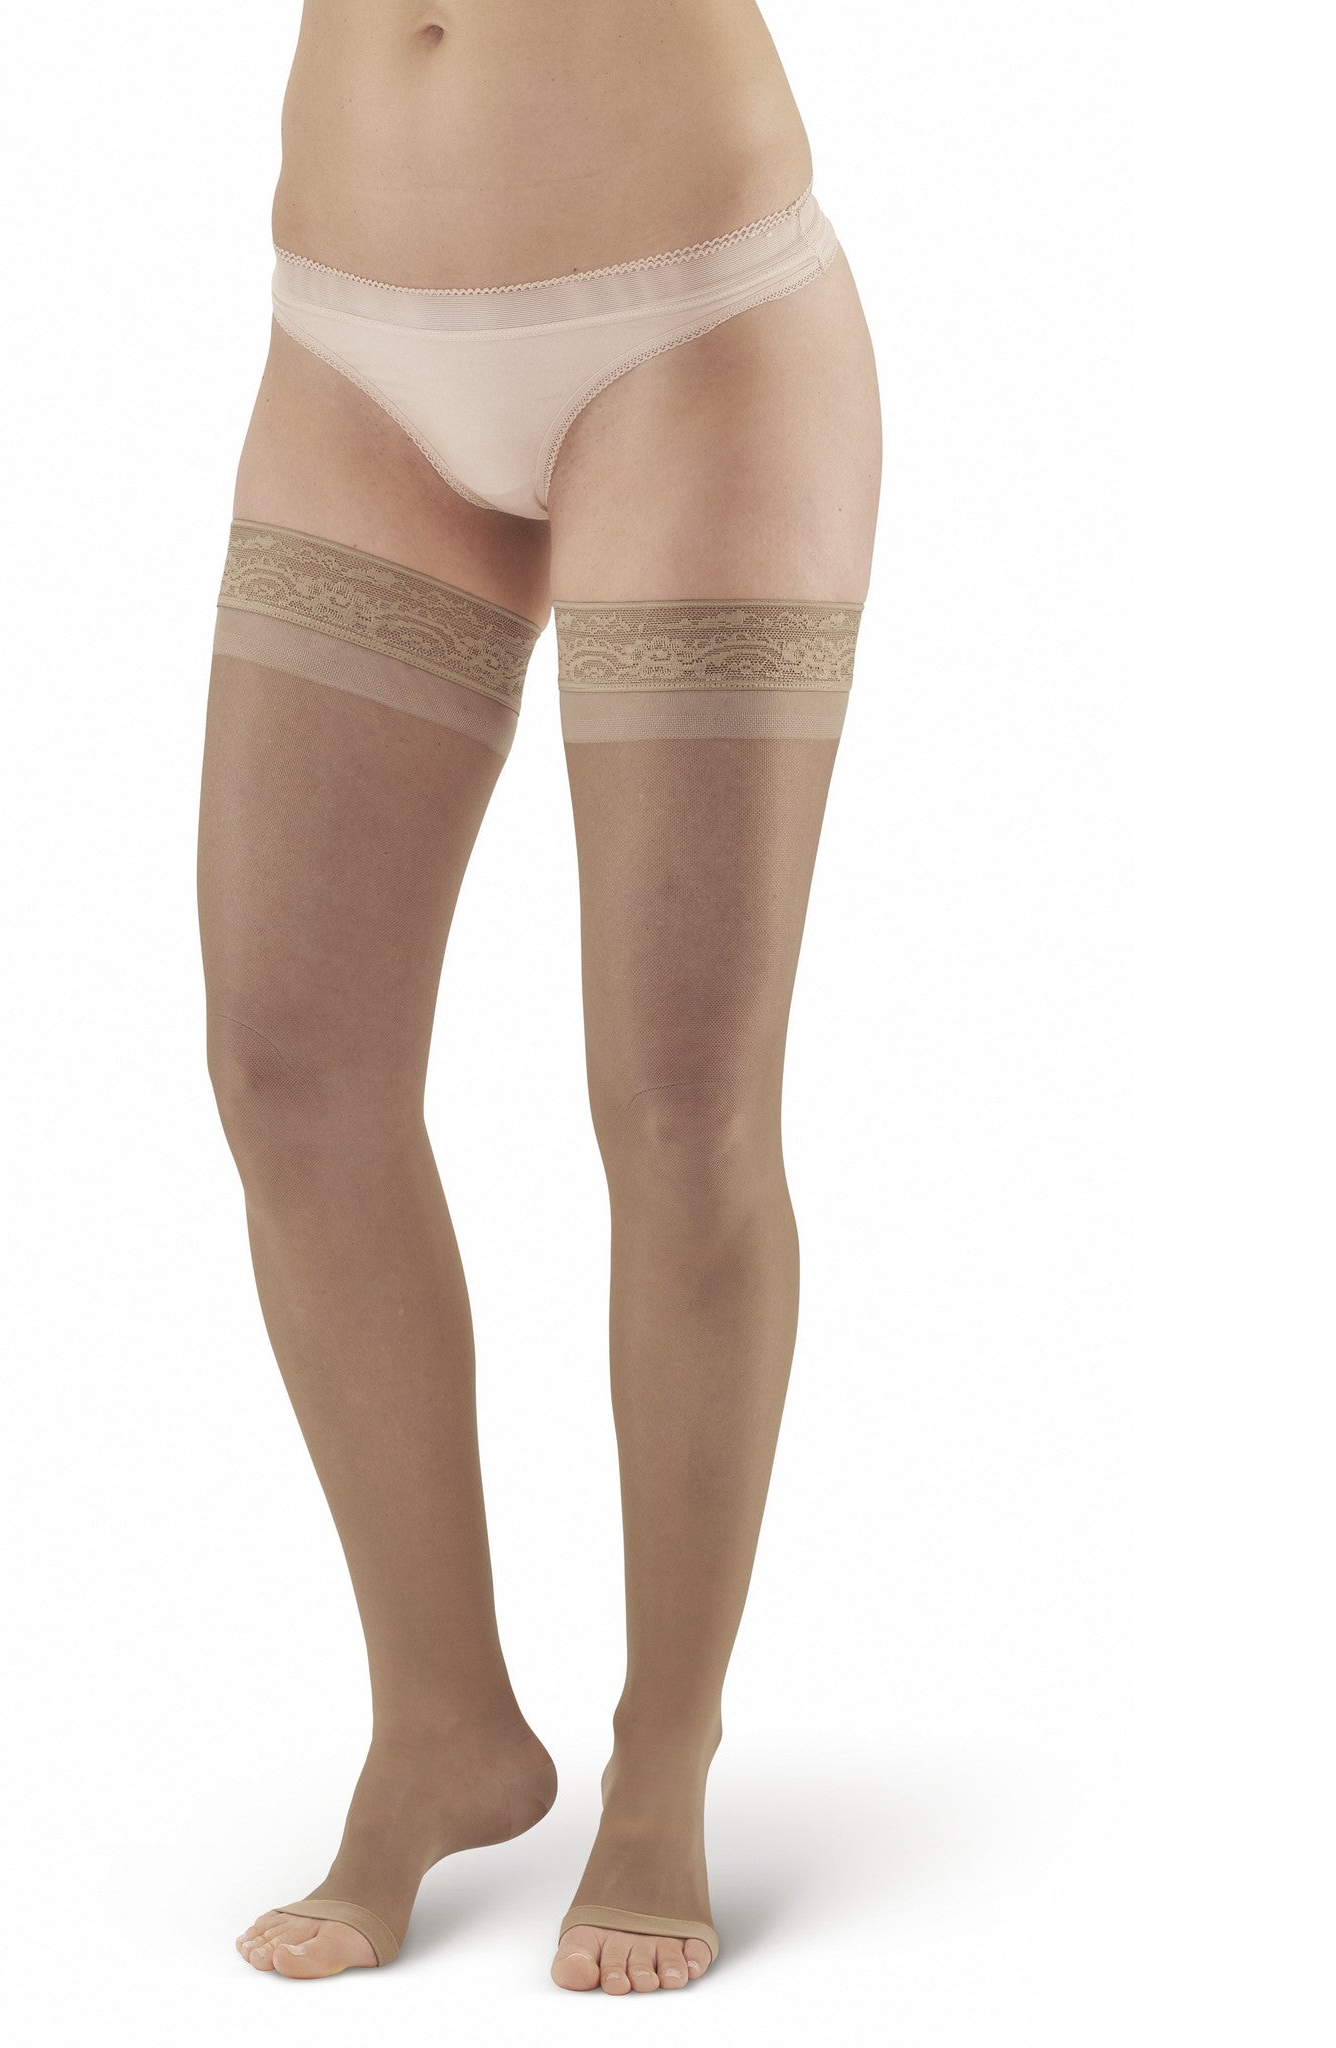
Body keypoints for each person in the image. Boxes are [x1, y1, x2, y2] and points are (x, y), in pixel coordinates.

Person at [198, 0, 880, 1994]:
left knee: (679, 1101)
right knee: (289, 1066)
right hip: (348, 345)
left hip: (689, 332)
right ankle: (441, 1726)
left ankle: (662, 1758)